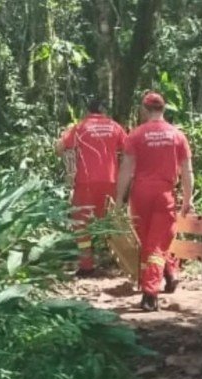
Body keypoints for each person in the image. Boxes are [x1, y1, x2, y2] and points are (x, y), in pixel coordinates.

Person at [117, 92, 193, 312]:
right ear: (164, 109)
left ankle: (167, 277)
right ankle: (151, 293)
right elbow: (187, 171)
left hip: (140, 195)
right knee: (157, 244)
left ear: (144, 109)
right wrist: (187, 199)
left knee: (151, 243)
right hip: (164, 194)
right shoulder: (177, 135)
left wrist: (120, 200)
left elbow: (126, 170)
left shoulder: (136, 135)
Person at [55, 98, 126, 277]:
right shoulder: (115, 127)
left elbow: (60, 148)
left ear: (88, 111)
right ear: (104, 111)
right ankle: (121, 262)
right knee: (112, 221)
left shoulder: (80, 127)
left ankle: (86, 265)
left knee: (81, 222)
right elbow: (128, 149)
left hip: (85, 182)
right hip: (111, 180)